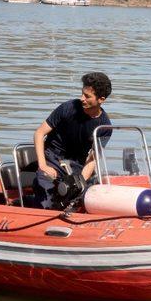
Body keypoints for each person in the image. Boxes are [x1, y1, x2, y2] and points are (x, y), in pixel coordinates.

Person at [32, 72, 112, 209]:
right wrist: (43, 165)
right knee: (46, 187)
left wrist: (79, 181)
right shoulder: (68, 108)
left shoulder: (104, 126)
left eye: (87, 96)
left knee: (88, 193)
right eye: (82, 94)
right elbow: (39, 133)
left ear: (101, 99)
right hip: (53, 158)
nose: (82, 99)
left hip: (77, 164)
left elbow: (93, 159)